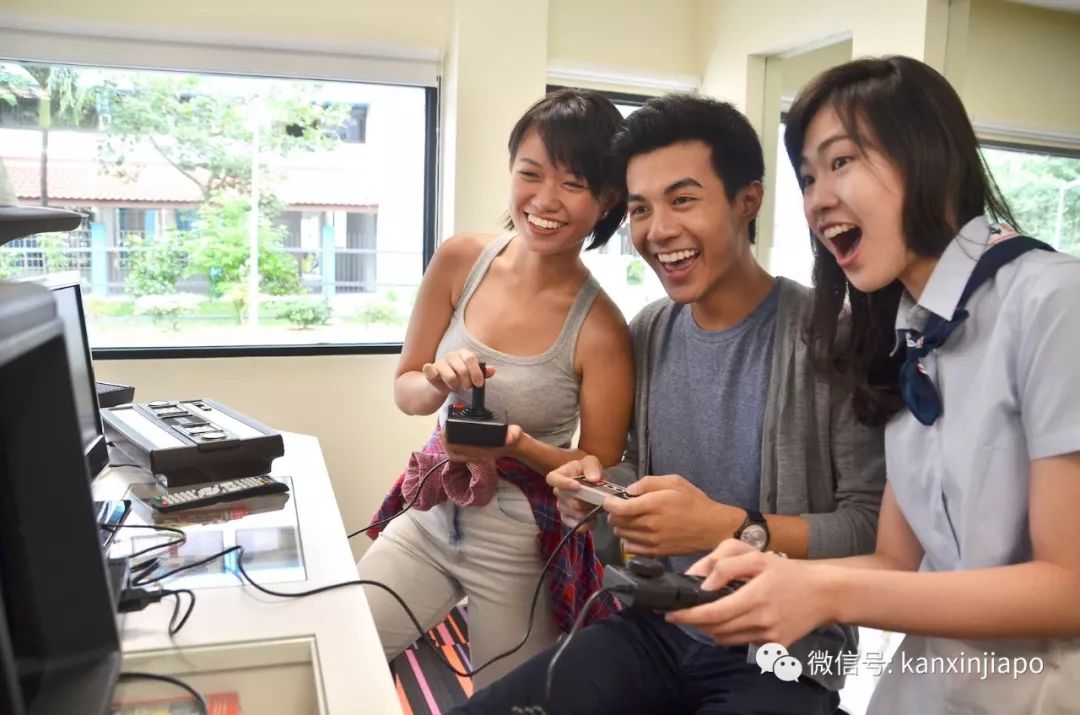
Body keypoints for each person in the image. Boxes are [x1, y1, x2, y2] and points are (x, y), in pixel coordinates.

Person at [452, 94, 886, 714]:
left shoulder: (831, 338)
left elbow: (869, 528)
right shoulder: (650, 330)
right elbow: (638, 467)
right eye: (639, 209)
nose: (658, 231)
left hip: (781, 649)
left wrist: (732, 527)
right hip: (653, 626)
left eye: (683, 200)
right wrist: (602, 488)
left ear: (747, 201)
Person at [671, 56, 1080, 713]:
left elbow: (1068, 586)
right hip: (929, 685)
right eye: (808, 177)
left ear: (929, 157)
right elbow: (895, 560)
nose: (817, 199)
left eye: (842, 161)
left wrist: (824, 592)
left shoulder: (1054, 300)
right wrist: (769, 573)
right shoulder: (905, 332)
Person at [357, 88, 635, 689]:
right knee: (341, 645)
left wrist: (516, 446)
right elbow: (406, 388)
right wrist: (436, 380)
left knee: (506, 703)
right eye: (530, 174)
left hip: (518, 541)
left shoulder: (603, 329)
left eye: (573, 183)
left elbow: (599, 470)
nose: (545, 200)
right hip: (431, 511)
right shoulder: (461, 259)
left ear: (608, 198)